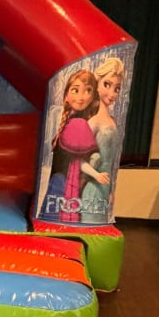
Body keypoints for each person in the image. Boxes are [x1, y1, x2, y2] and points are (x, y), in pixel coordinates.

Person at [39, 68, 106, 223]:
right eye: (75, 90)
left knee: (52, 219)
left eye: (87, 91)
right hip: (62, 183)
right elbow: (77, 160)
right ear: (66, 96)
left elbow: (78, 161)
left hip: (61, 183)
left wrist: (95, 174)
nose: (81, 97)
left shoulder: (79, 123)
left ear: (93, 96)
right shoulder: (75, 123)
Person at [80, 57, 124, 223]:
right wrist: (96, 175)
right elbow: (77, 160)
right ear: (97, 85)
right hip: (93, 188)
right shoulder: (93, 122)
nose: (112, 93)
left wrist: (111, 189)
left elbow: (111, 162)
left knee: (100, 230)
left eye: (117, 88)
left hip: (105, 190)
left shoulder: (113, 122)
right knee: (89, 230)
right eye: (107, 85)